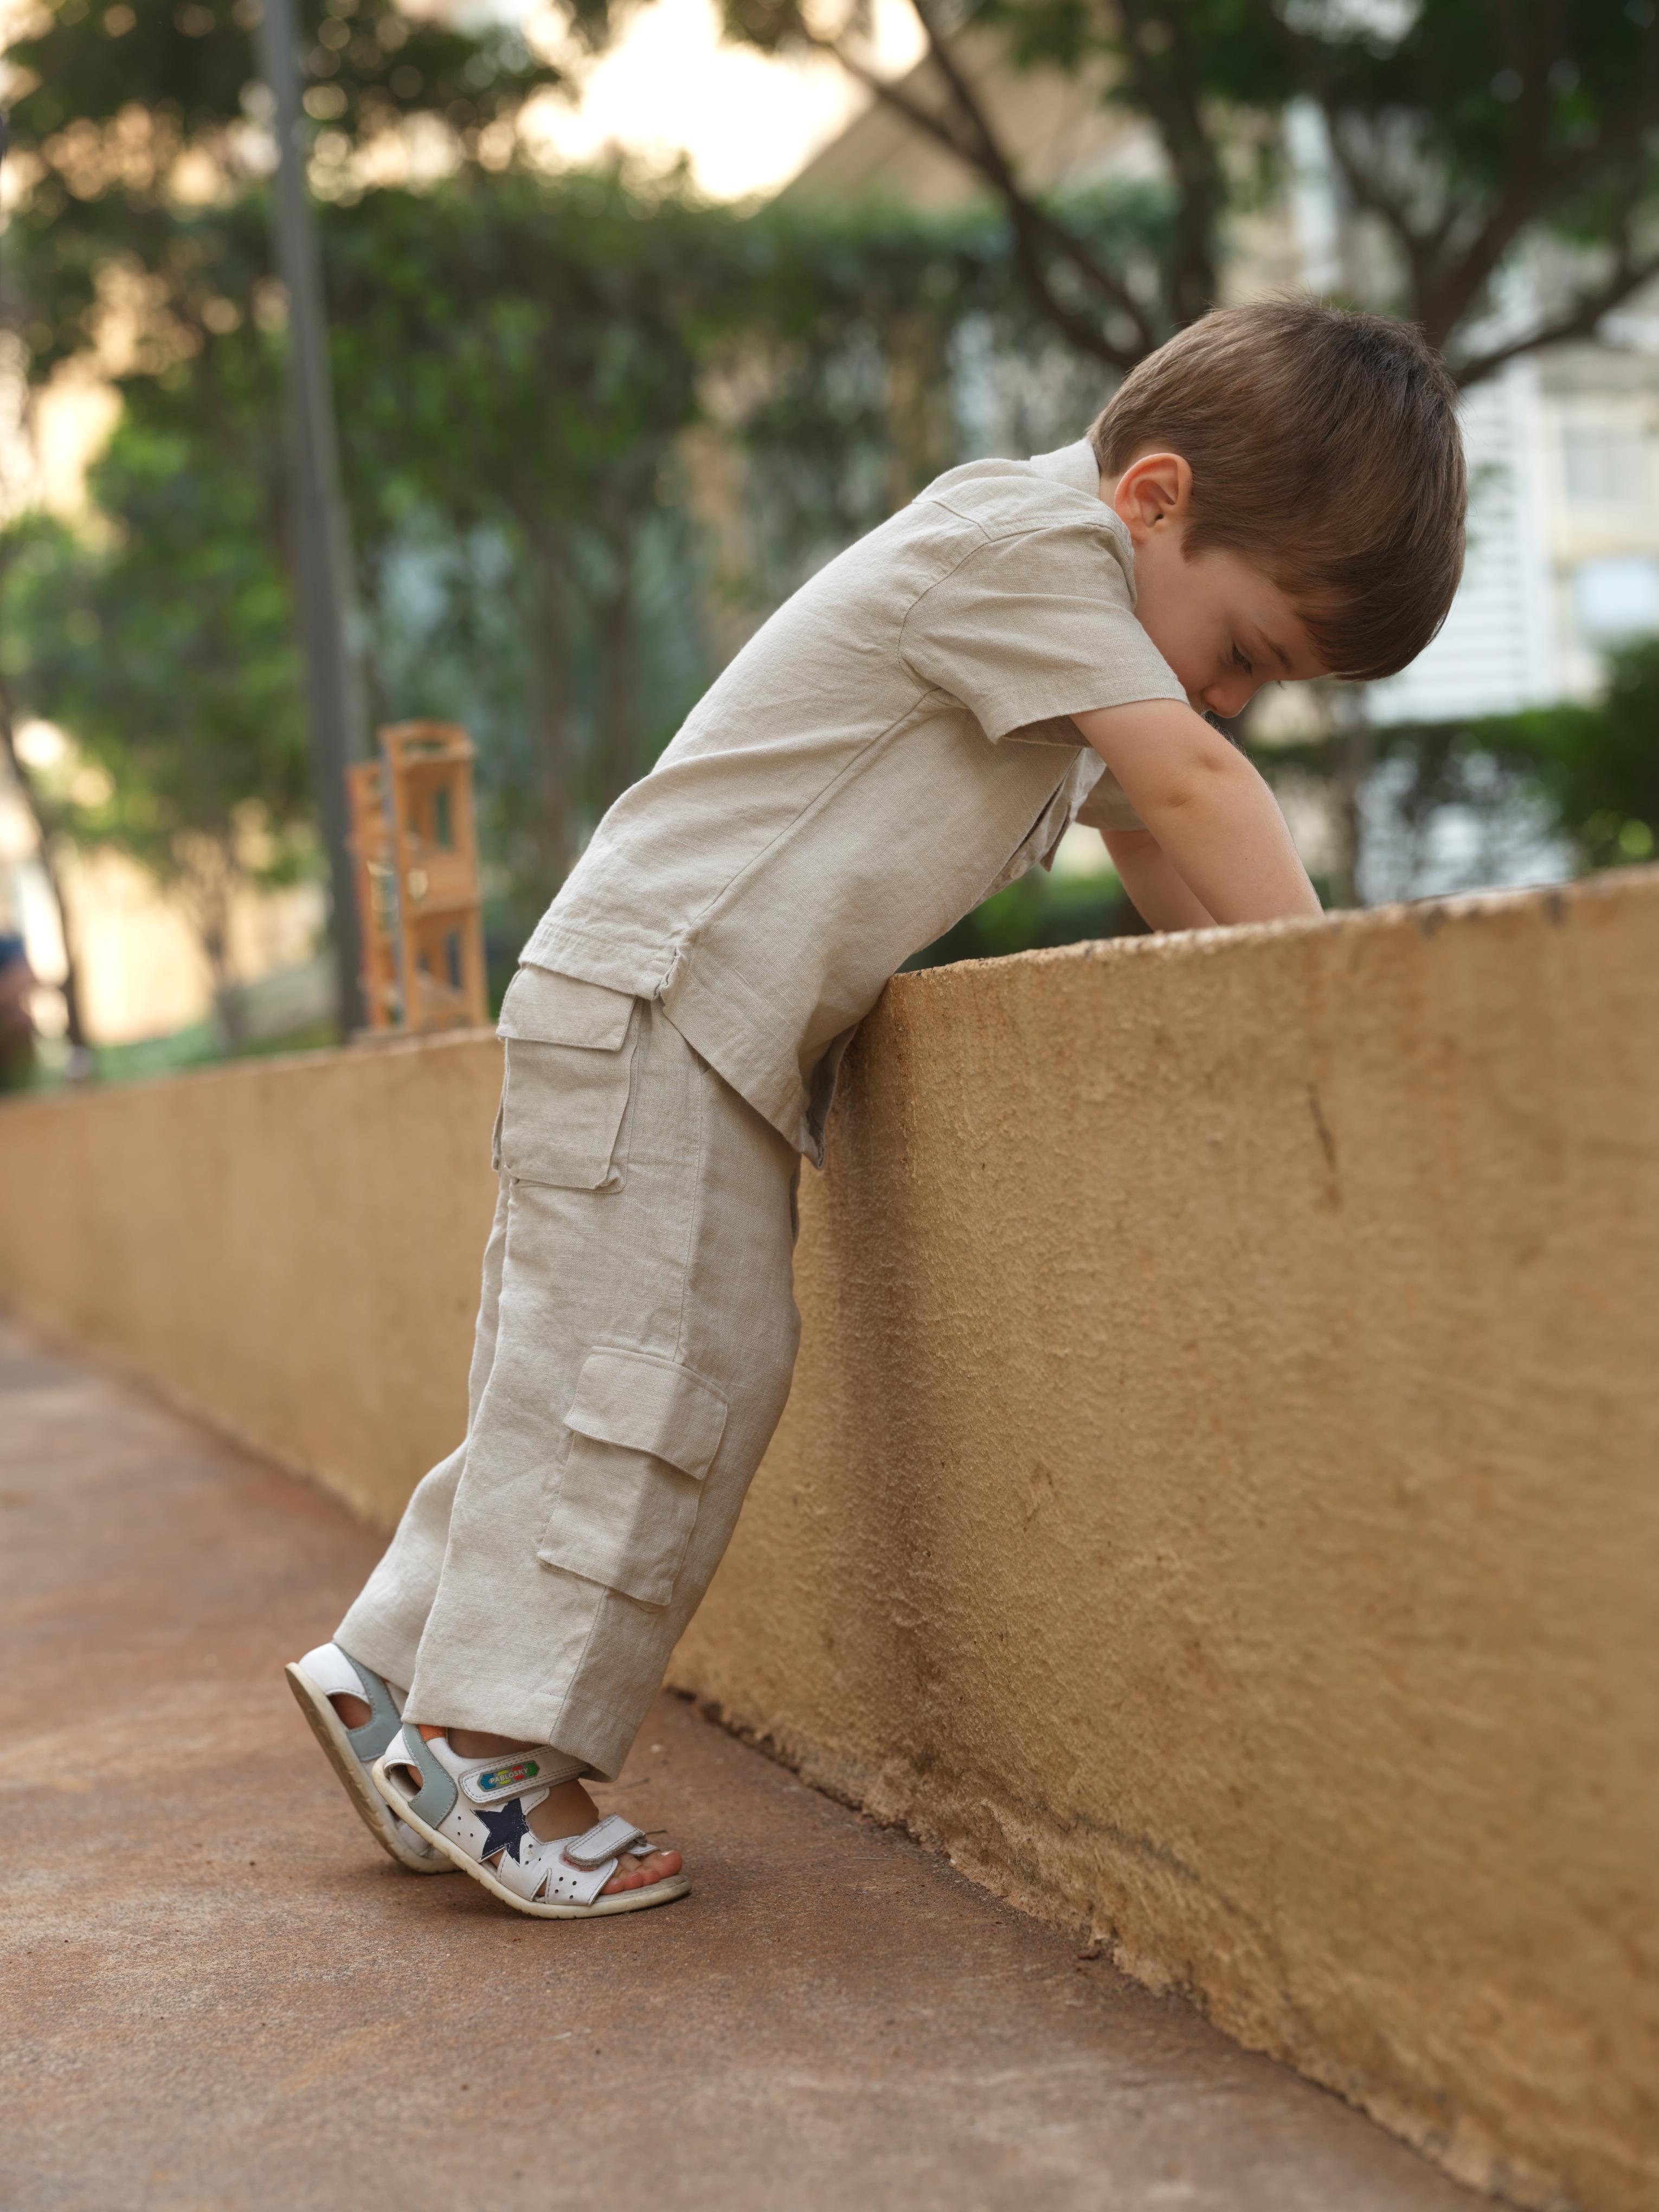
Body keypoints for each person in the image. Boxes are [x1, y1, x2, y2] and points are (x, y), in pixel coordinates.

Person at [287, 299, 1466, 1918]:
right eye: (1247, 651)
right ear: (1153, 499)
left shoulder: (1082, 626)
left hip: (671, 1013)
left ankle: (383, 1673)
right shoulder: (1026, 550)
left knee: (582, 1376)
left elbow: (1156, 833)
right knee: (663, 1383)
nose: (1231, 702)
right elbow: (1195, 791)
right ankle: (496, 1754)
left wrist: (1241, 994)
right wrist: (1340, 1008)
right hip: (669, 1010)